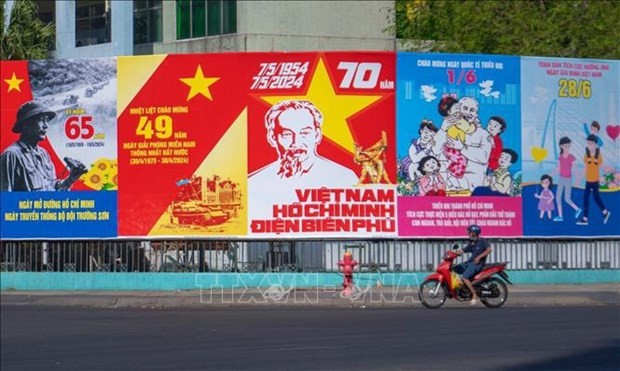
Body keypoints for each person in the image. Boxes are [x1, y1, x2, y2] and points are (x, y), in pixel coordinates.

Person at [248, 100, 358, 218]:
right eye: (287, 134)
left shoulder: (345, 178)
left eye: (304, 133)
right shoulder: (253, 184)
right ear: (272, 137)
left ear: (317, 135)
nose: (296, 142)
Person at [1, 100, 86, 191]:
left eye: (47, 120)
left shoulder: (44, 154)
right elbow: (5, 200)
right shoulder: (11, 155)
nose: (46, 125)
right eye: (41, 120)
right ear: (26, 124)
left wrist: (70, 180)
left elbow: (52, 194)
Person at [454, 224, 492, 305]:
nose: (468, 234)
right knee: (454, 269)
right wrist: (453, 254)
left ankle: (474, 295)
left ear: (474, 233)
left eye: (470, 232)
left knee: (464, 277)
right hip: (469, 263)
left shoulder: (482, 241)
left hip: (477, 264)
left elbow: (489, 250)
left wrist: (479, 257)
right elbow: (463, 250)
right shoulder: (472, 243)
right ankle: (461, 289)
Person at [577, 134, 611, 225]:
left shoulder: (598, 155)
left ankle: (605, 212)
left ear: (595, 144)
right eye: (588, 143)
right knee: (586, 199)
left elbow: (602, 165)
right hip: (588, 181)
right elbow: (585, 167)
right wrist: (579, 177)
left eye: (591, 143)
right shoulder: (586, 154)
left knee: (596, 198)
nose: (589, 145)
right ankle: (585, 218)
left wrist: (608, 170)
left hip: (595, 181)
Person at [551, 137, 581, 222]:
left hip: (568, 180)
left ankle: (577, 209)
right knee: (557, 197)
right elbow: (558, 168)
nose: (567, 148)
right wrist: (550, 175)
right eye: (565, 146)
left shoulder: (571, 157)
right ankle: (560, 216)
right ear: (561, 146)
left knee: (567, 198)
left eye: (569, 146)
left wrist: (577, 179)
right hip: (561, 179)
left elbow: (575, 168)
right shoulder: (560, 157)